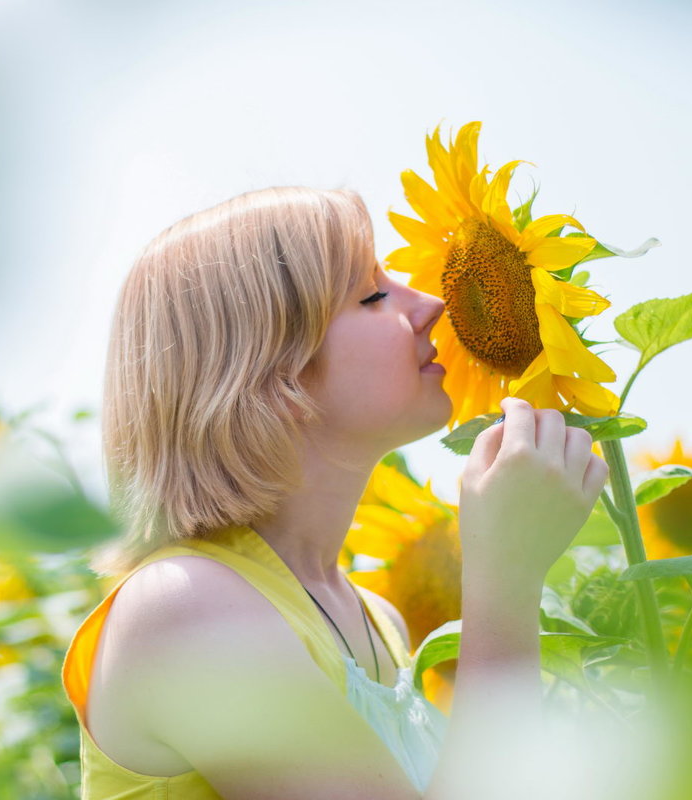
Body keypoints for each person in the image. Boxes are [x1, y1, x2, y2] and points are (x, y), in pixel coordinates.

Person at [61, 186, 609, 799]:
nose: (431, 303)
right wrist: (507, 576)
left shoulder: (379, 621)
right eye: (372, 295)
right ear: (269, 370)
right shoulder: (183, 608)